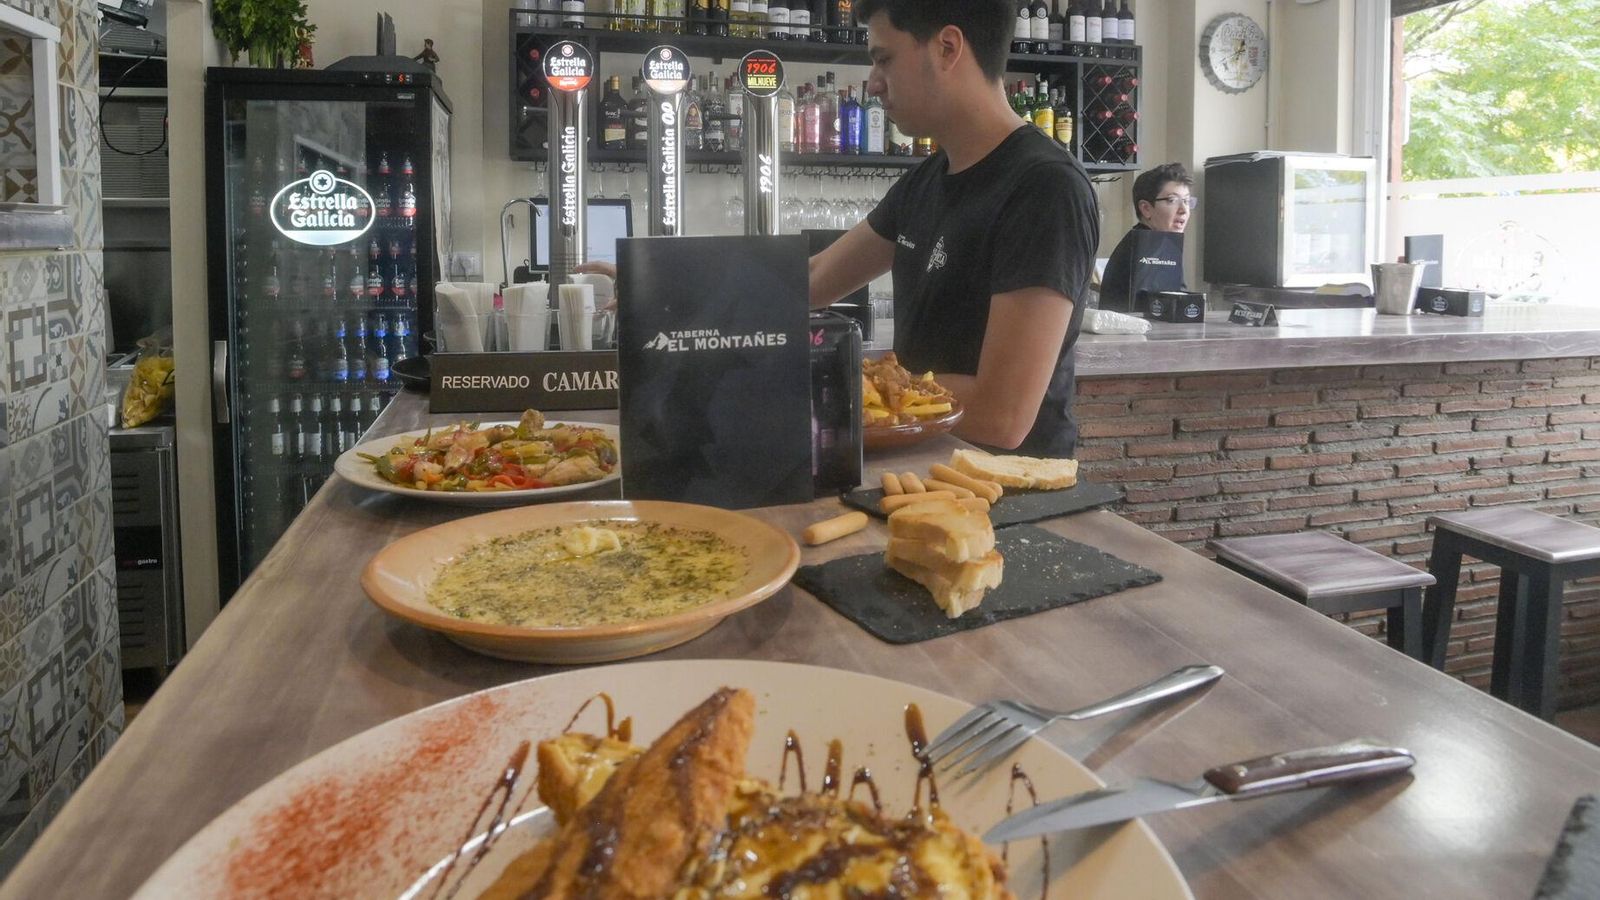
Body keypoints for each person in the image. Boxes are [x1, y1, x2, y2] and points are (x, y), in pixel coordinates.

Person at [809, 0, 1099, 457]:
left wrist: (849, 380)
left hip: (1003, 498)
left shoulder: (1045, 188)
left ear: (947, 48)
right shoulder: (923, 180)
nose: (873, 84)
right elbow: (814, 280)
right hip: (923, 471)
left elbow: (1002, 414)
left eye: (884, 59)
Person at [1099, 162, 1194, 312]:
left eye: (1187, 201)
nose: (1183, 210)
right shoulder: (1142, 247)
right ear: (1146, 209)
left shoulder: (1163, 244)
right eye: (1172, 200)